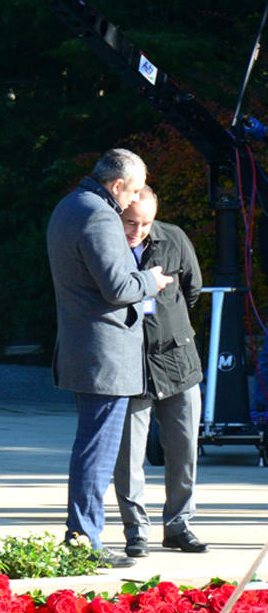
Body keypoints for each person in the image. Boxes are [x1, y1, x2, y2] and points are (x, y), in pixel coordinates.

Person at [46, 148, 174, 568]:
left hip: (86, 347)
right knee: (97, 451)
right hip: (104, 352)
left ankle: (83, 535)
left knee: (92, 446)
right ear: (117, 185)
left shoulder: (69, 206)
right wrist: (151, 281)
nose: (135, 198)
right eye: (134, 190)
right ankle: (84, 540)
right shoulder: (99, 215)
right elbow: (119, 288)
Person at [112, 187, 207, 556]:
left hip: (177, 360)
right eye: (130, 222)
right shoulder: (106, 243)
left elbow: (192, 289)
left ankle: (179, 525)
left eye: (146, 223)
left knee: (184, 450)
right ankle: (136, 530)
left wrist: (171, 325)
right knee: (129, 456)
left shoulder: (174, 238)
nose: (137, 231)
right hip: (129, 365)